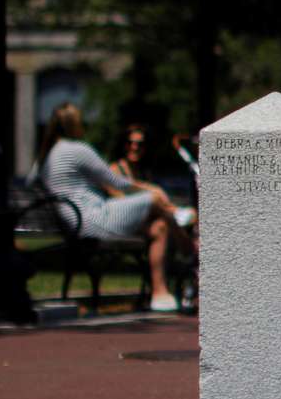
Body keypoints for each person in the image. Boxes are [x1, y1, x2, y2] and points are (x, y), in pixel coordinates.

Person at [34, 104, 190, 312]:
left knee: (159, 226)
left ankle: (159, 293)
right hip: (93, 220)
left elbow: (32, 182)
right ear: (74, 124)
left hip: (79, 221)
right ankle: (188, 246)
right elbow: (116, 181)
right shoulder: (77, 150)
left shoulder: (46, 155)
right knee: (153, 198)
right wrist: (152, 188)